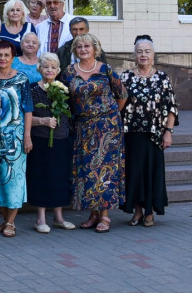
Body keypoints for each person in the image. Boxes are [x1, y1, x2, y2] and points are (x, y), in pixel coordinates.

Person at [62, 33, 126, 233]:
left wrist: (110, 114)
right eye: (79, 46)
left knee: (106, 169)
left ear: (95, 49)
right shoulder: (69, 72)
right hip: (83, 126)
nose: (83, 49)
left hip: (107, 128)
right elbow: (64, 96)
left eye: (87, 46)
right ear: (75, 50)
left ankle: (105, 216)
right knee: (87, 171)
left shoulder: (105, 70)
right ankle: (92, 213)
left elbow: (122, 95)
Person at [120, 35, 178, 228]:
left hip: (154, 134)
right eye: (139, 51)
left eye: (147, 51)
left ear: (153, 54)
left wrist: (168, 132)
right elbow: (117, 104)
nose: (143, 55)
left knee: (152, 172)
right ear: (134, 55)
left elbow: (171, 107)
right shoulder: (126, 77)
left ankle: (150, 211)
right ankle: (137, 210)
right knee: (134, 172)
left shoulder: (162, 78)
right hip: (132, 134)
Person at [0, 40, 33, 238]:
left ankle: (11, 222)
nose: (3, 59)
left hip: (16, 138)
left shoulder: (21, 79)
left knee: (14, 180)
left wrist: (27, 135)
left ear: (13, 58)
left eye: (6, 55)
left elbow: (28, 108)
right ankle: (5, 220)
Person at [26, 53, 75, 234]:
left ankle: (59, 217)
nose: (49, 70)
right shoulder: (32, 89)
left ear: (58, 70)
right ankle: (40, 218)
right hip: (40, 138)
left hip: (61, 138)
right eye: (46, 66)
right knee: (41, 176)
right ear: (39, 68)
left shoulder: (63, 89)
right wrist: (43, 121)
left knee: (59, 177)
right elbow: (26, 117)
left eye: (53, 67)